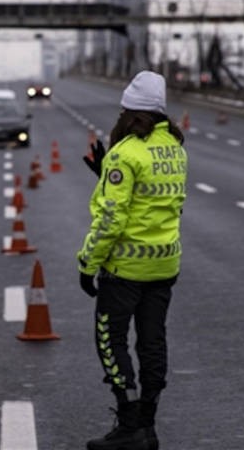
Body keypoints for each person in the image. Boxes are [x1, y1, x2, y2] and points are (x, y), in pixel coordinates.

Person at [77, 70, 187, 450]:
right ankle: (148, 425)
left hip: (124, 269)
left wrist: (87, 263)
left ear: (130, 113)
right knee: (153, 343)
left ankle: (128, 425)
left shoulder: (125, 153)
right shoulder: (176, 148)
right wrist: (104, 173)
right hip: (164, 264)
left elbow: (112, 218)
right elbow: (156, 204)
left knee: (111, 341)